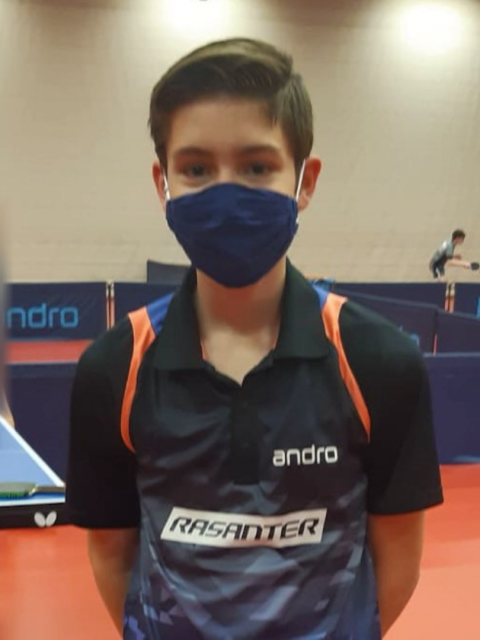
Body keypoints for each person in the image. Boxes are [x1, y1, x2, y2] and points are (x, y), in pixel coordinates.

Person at [67, 38, 443, 640]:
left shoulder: (379, 362)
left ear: (305, 181)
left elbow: (398, 560)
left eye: (257, 167)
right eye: (196, 169)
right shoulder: (114, 368)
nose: (227, 191)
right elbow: (112, 555)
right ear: (163, 183)